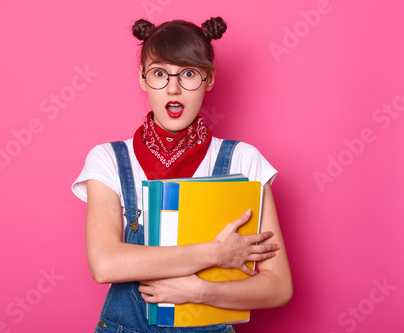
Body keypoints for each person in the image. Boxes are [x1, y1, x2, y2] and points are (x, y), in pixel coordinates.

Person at [72, 17, 292, 333]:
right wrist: (218, 253)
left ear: (209, 78)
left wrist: (200, 291)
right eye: (160, 73)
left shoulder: (243, 161)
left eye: (188, 73)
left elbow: (278, 287)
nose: (173, 88)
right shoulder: (109, 159)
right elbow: (105, 264)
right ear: (143, 79)